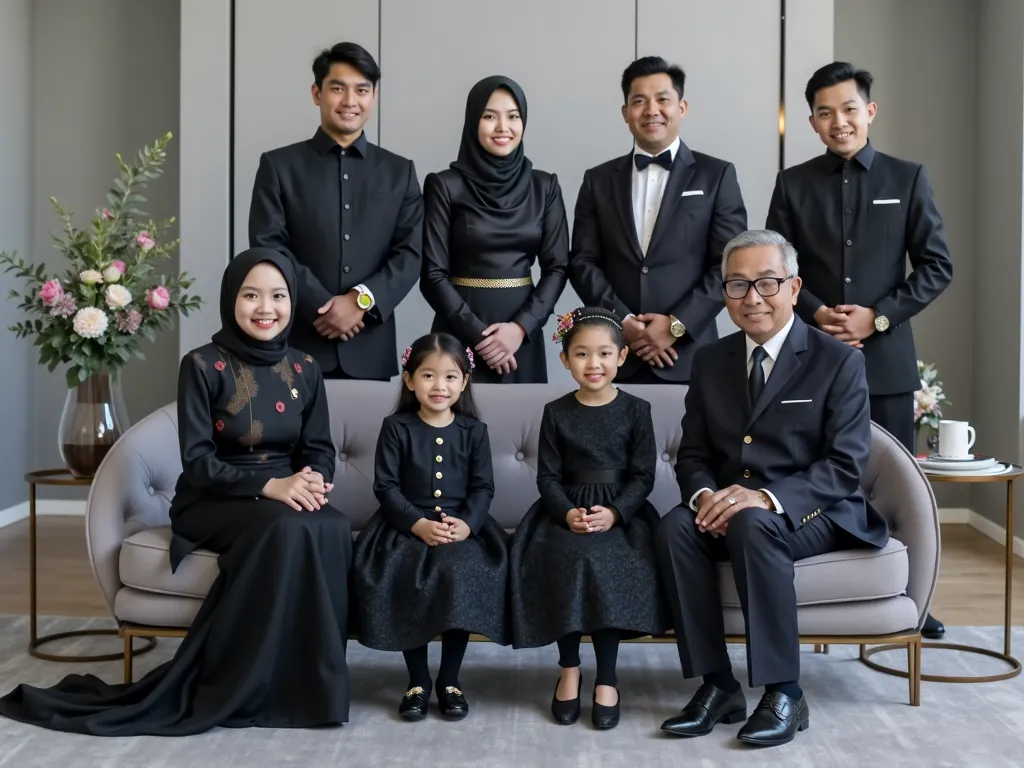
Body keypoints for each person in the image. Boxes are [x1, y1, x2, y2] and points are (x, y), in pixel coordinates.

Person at [0, 248, 353, 735]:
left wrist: (311, 480)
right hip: (214, 499)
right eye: (251, 295)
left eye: (278, 296)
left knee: (331, 525)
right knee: (283, 527)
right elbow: (200, 463)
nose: (265, 307)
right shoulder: (203, 364)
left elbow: (319, 448)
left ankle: (308, 687)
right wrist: (272, 486)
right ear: (232, 298)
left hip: (284, 493)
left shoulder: (306, 369)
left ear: (293, 302)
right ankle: (247, 684)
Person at [657, 230, 889, 747]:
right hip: (735, 507)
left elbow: (846, 465)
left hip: (818, 509)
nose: (752, 297)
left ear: (793, 287)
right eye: (737, 285)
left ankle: (786, 691)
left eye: (767, 282)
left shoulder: (838, 360)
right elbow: (693, 454)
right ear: (724, 294)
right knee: (676, 525)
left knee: (752, 522)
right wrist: (703, 497)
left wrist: (764, 498)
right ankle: (718, 686)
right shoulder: (711, 360)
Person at [765, 62, 952, 639]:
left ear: (868, 111)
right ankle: (817, 590)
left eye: (849, 109)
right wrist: (815, 308)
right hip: (810, 360)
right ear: (813, 122)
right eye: (825, 112)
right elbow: (775, 265)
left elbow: (937, 265)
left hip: (886, 363)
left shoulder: (907, 177)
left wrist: (880, 315)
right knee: (810, 474)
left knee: (894, 485)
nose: (838, 121)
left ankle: (914, 602)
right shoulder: (793, 184)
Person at [509, 307, 667, 730]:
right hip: (566, 509)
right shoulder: (557, 411)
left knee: (606, 562)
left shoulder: (637, 409)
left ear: (621, 357)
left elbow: (643, 474)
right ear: (565, 360)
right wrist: (567, 512)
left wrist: (615, 513)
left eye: (603, 354)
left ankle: (608, 679)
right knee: (570, 558)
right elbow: (547, 475)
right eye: (581, 354)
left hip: (621, 511)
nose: (593, 364)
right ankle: (569, 667)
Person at [352, 333, 508, 721]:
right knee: (407, 571)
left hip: (461, 526)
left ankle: (450, 680)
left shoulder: (474, 432)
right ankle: (418, 680)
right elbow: (385, 486)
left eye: (450, 377)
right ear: (409, 380)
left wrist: (468, 526)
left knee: (458, 572)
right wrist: (417, 524)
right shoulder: (396, 427)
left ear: (464, 382)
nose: (439, 386)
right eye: (428, 376)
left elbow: (483, 486)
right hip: (405, 525)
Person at [249, 41, 422, 381]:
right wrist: (323, 306)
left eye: (362, 90)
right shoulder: (279, 166)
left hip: (370, 346)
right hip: (297, 340)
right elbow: (269, 246)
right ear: (317, 93)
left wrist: (359, 302)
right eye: (337, 88)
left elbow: (411, 254)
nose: (350, 101)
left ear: (374, 96)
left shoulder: (399, 172)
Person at [569, 56, 747, 384]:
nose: (652, 110)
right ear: (625, 113)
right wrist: (621, 321)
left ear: (682, 107)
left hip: (691, 354)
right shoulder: (598, 180)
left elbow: (730, 265)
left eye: (663, 99)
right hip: (617, 356)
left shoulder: (717, 175)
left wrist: (677, 324)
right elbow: (583, 262)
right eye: (639, 101)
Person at [420, 75, 569, 383]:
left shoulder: (545, 186)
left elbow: (557, 267)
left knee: (522, 427)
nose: (503, 127)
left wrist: (521, 327)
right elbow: (432, 275)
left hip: (522, 335)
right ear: (473, 120)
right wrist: (481, 338)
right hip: (459, 332)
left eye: (513, 117)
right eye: (490, 116)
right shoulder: (445, 185)